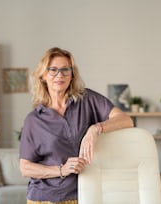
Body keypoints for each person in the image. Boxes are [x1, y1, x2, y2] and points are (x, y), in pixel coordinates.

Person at [19, 47, 134, 204]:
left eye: (65, 69)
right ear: (43, 76)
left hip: (84, 195)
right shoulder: (34, 120)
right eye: (53, 70)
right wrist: (62, 170)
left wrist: (95, 129)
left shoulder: (87, 99)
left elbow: (125, 120)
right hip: (44, 198)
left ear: (72, 74)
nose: (60, 75)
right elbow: (25, 167)